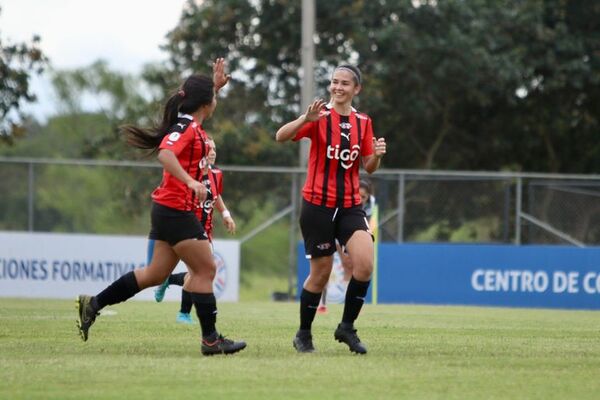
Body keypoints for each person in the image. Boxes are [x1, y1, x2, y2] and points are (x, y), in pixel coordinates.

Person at [76, 58, 246, 356]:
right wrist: (191, 182)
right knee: (206, 269)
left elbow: (188, 127)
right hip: (176, 210)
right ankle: (211, 340)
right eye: (213, 97)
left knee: (155, 273)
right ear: (206, 103)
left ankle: (94, 304)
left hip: (166, 209)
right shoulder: (188, 128)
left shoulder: (190, 122)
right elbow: (166, 154)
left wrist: (213, 87)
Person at [275, 64, 386, 354]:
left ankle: (346, 327)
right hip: (317, 206)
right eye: (335, 82)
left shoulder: (363, 122)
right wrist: (304, 119)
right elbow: (280, 136)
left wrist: (377, 156)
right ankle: (303, 334)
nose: (338, 87)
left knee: (364, 264)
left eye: (345, 83)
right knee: (321, 273)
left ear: (356, 89)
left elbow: (369, 167)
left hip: (350, 206)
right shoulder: (319, 117)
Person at [152, 139, 236, 324]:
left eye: (215, 148)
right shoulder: (190, 176)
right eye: (209, 149)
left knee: (200, 273)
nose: (213, 152)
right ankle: (184, 313)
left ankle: (169, 282)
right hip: (188, 230)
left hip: (207, 232)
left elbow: (216, 195)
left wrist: (226, 214)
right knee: (199, 273)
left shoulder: (217, 174)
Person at [317, 179, 376, 314]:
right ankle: (322, 303)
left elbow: (363, 226)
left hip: (351, 229)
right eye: (358, 196)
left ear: (368, 197)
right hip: (332, 229)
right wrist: (341, 251)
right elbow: (336, 228)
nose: (360, 200)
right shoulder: (342, 202)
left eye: (364, 197)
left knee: (355, 265)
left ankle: (349, 303)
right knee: (324, 267)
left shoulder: (370, 205)